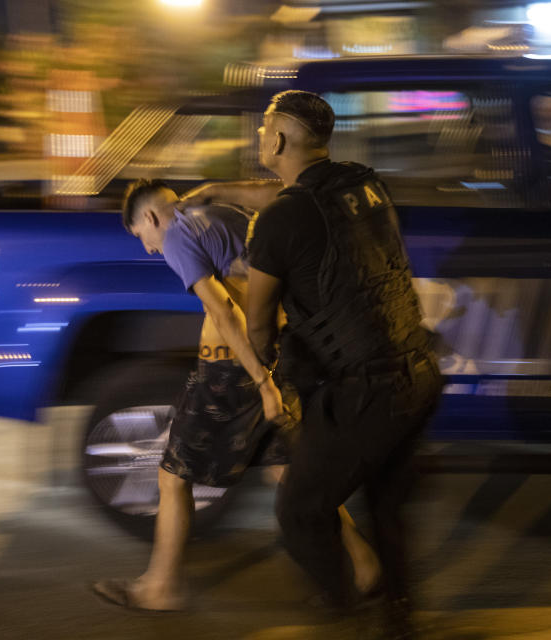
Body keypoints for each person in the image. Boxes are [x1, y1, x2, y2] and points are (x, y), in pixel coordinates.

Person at [183, 91, 444, 637]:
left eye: (262, 129)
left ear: (278, 139)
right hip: (417, 374)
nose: (257, 137)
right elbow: (288, 202)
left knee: (300, 512)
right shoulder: (361, 183)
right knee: (386, 507)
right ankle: (400, 619)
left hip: (364, 393)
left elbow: (257, 325)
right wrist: (217, 191)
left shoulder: (280, 222)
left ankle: (343, 615)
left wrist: (263, 378)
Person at [91, 179, 380, 611]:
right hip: (269, 354)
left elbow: (224, 310)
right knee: (287, 473)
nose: (150, 248)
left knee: (172, 477)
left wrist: (261, 382)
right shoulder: (222, 216)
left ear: (151, 217)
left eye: (142, 237)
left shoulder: (178, 233)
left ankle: (161, 588)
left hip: (231, 373)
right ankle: (365, 563)